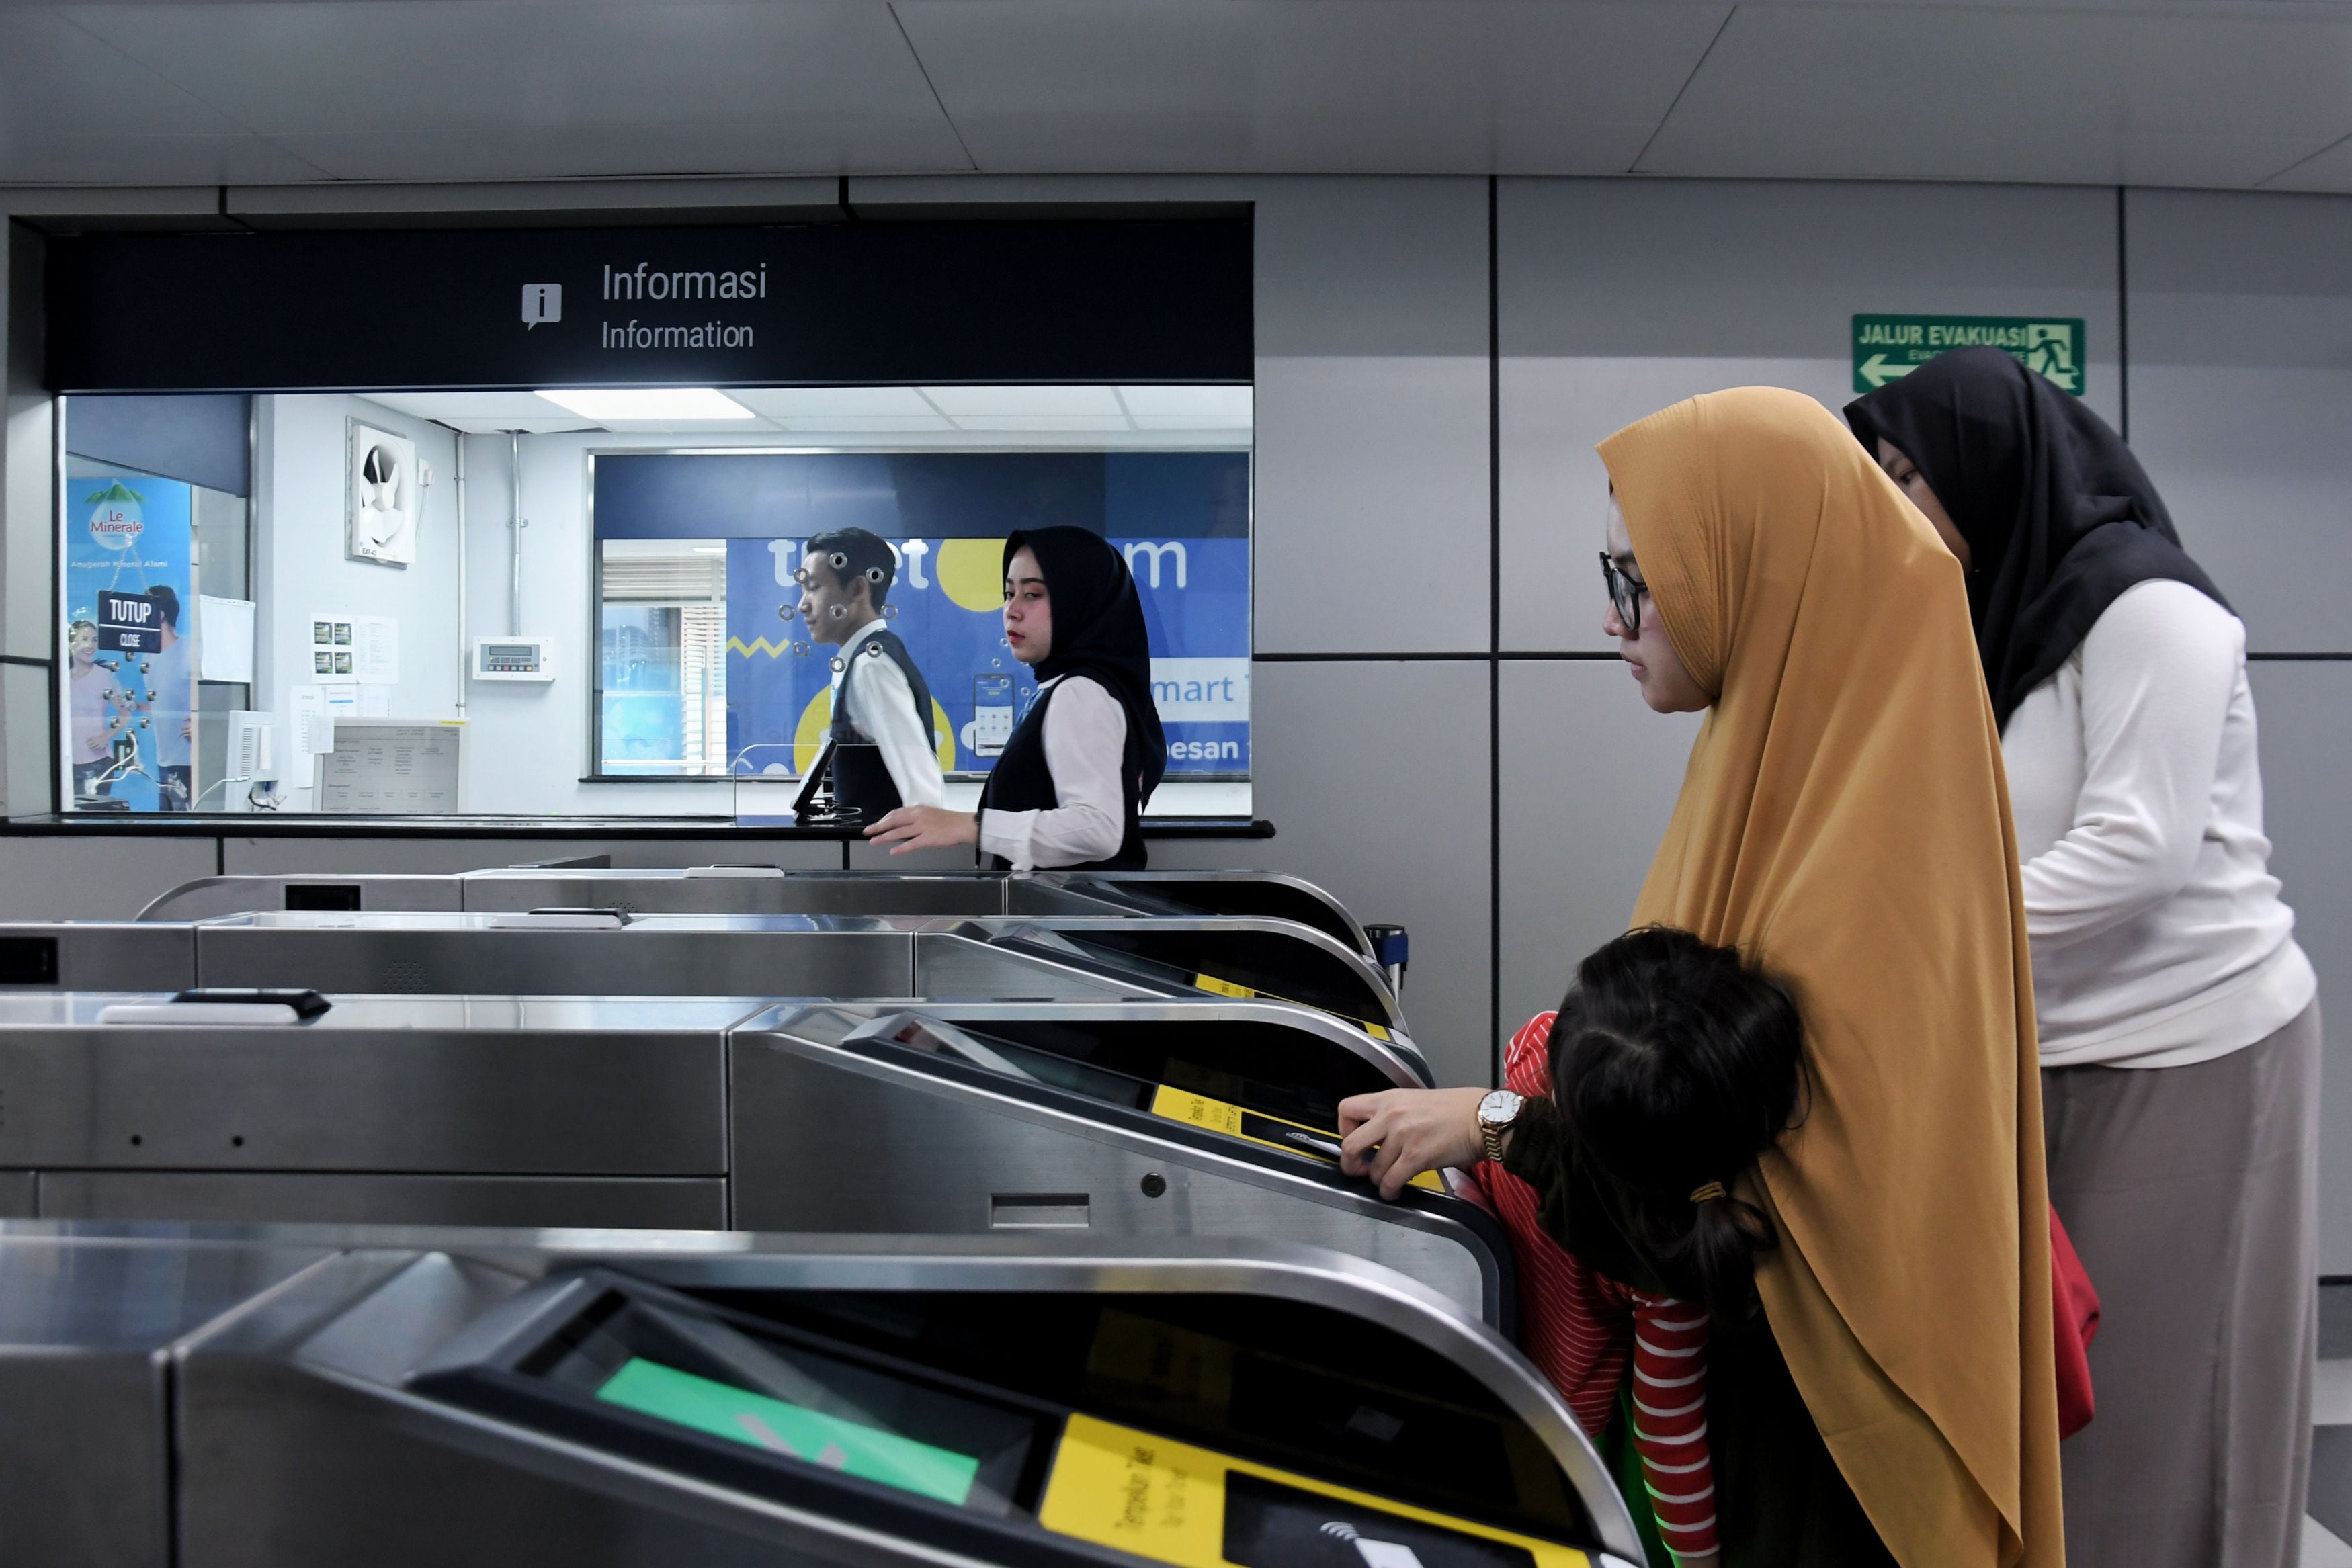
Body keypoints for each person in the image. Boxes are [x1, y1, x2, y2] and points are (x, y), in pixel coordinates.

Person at [1342, 387, 2062, 1567]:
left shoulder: (1862, 860)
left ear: (1758, 573)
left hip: (1820, 1444)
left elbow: (1729, 1216)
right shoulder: (1806, 760)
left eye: (1643, 577)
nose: (1615, 618)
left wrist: (1496, 1121)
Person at [1848, 346, 2317, 1568]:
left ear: (1993, 469)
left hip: (2196, 1049)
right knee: (2083, 1394)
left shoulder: (2148, 603)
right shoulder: (2003, 618)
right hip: (2064, 1042)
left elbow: (2138, 850)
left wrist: (1919, 935)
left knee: (2175, 1387)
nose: (1897, 501)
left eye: (1914, 472)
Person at [866, 527, 1165, 869]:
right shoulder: (1066, 685)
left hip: (1071, 919)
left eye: (1033, 594)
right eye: (1009, 593)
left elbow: (1098, 831)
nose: (1012, 609)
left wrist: (971, 826)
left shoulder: (1080, 692)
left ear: (1080, 601)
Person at [795, 528, 945, 821]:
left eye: (814, 588)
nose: (802, 604)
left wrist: (923, 858)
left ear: (857, 590)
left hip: (883, 857)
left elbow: (921, 783)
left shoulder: (871, 666)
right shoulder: (865, 658)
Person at [142, 586, 192, 810]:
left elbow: (219, 701)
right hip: (163, 760)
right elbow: (163, 704)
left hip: (187, 761)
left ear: (160, 614)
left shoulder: (189, 652)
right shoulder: (149, 656)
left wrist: (202, 725)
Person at [65, 618, 126, 797]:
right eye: (84, 639)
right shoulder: (62, 677)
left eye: (94, 639)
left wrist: (105, 736)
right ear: (71, 643)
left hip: (97, 762)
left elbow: (125, 715)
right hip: (66, 762)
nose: (90, 645)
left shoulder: (106, 676)